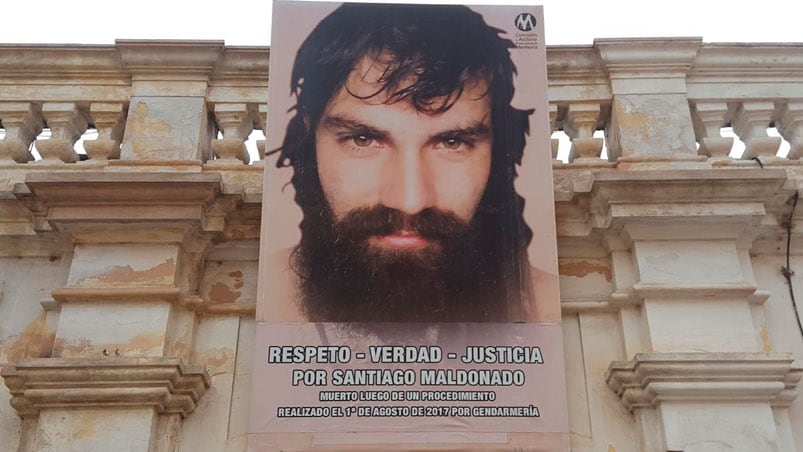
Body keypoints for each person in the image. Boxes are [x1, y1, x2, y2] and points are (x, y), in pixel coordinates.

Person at [269, 3, 536, 322]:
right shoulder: (267, 300)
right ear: (311, 136)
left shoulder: (543, 309)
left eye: (451, 142)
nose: (410, 201)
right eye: (363, 140)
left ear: (498, 147)